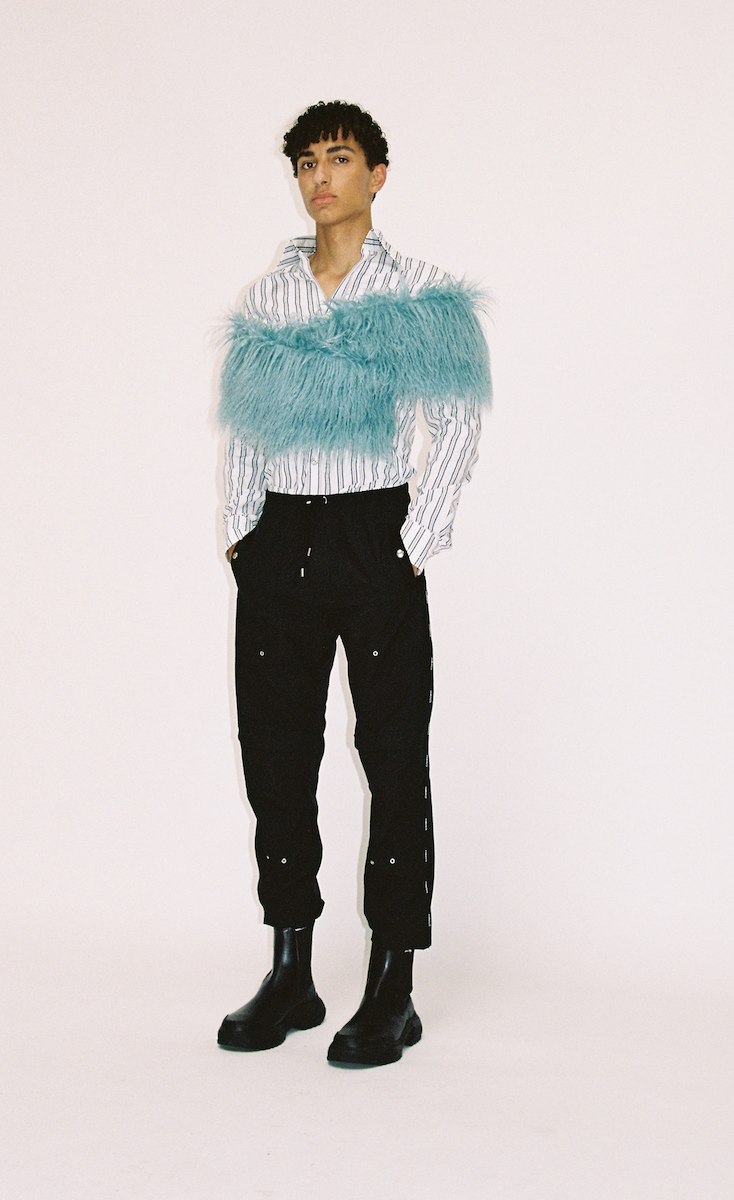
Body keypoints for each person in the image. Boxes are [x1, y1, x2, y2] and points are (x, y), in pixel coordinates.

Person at [216, 100, 491, 1067]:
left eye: (338, 158)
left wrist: (413, 541)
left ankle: (392, 985)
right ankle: (291, 971)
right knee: (275, 754)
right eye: (305, 162)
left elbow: (456, 422)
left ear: (377, 174)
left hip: (375, 534)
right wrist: (241, 534)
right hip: (279, 538)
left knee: (394, 755)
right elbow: (244, 428)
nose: (319, 177)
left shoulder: (418, 294)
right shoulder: (268, 297)